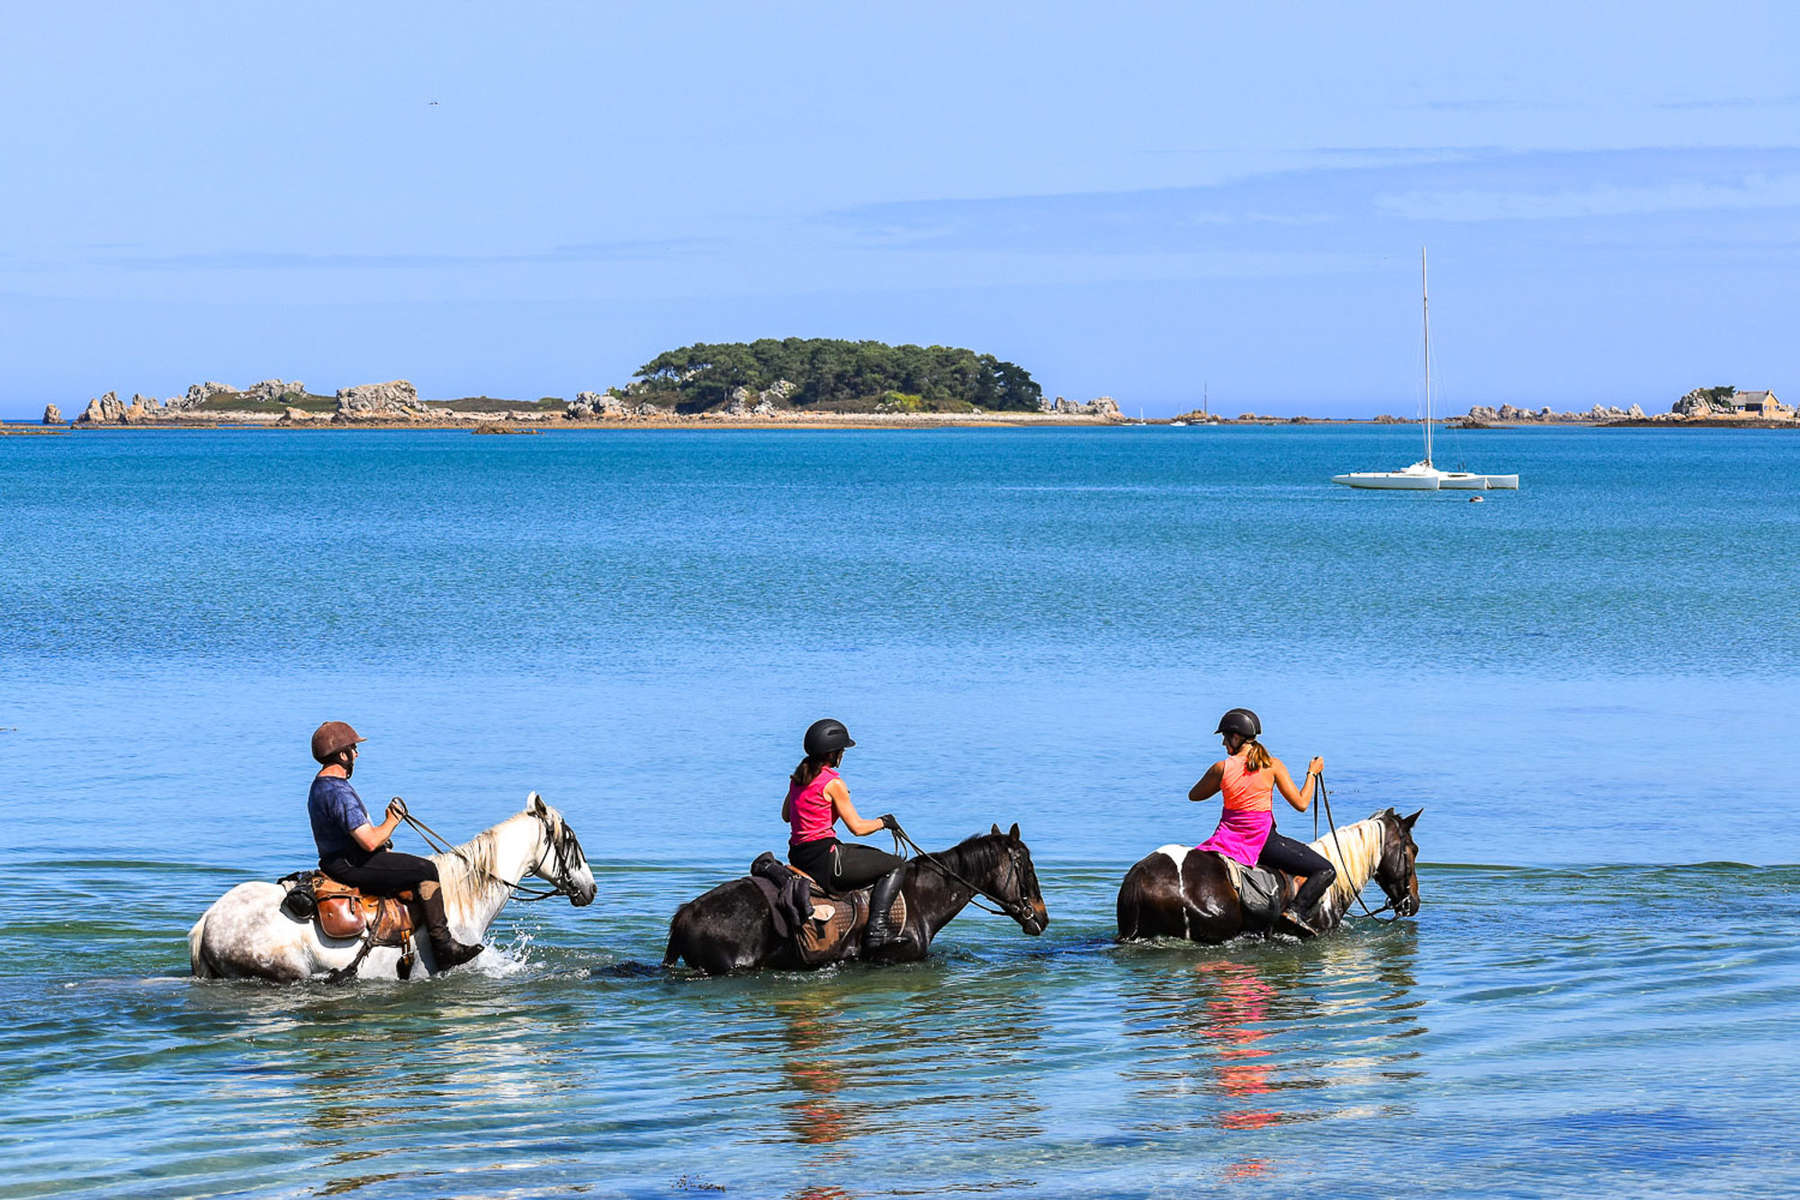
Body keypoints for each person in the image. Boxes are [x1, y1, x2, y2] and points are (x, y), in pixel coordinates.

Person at [306, 721, 484, 969]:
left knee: (402, 866)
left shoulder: (319, 786)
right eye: (353, 749)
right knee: (426, 870)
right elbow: (368, 841)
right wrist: (392, 820)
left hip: (335, 861)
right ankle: (444, 946)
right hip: (352, 863)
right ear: (342, 754)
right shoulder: (339, 792)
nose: (357, 754)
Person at [1189, 707, 1337, 936]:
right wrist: (1312, 773)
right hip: (1263, 843)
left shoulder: (1221, 768)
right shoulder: (1272, 766)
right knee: (1325, 869)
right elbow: (1301, 804)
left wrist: (1223, 780)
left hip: (1226, 842)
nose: (1223, 744)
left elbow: (1194, 795)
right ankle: (1295, 912)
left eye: (1225, 738)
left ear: (1236, 738)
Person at [782, 718, 906, 951]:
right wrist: (883, 822)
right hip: (825, 861)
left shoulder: (797, 779)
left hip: (798, 857)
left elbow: (786, 816)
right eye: (841, 751)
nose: (842, 755)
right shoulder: (833, 783)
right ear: (832, 754)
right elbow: (858, 828)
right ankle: (877, 931)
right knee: (896, 865)